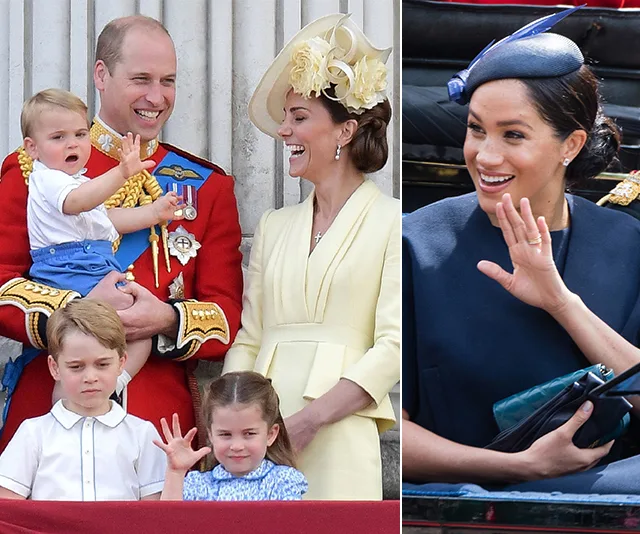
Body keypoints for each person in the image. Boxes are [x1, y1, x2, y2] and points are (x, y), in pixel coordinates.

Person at [402, 9, 640, 494]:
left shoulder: (626, 244)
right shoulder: (414, 243)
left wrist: (560, 301)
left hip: (607, 503)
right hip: (455, 508)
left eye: (513, 135)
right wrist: (518, 469)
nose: (485, 156)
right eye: (475, 129)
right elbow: (381, 428)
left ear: (570, 144)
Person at [0, 15, 243, 452]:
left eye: (167, 81)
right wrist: (79, 308)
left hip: (158, 430)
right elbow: (2, 283)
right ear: (101, 75)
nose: (157, 97)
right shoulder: (32, 170)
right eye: (141, 79)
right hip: (50, 414)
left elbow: (226, 315)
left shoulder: (206, 186)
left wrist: (167, 319)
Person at [222, 14, 400, 500]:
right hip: (261, 438)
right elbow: (250, 337)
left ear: (344, 132)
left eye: (299, 117)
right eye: (285, 118)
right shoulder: (275, 226)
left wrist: (311, 419)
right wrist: (233, 422)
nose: (283, 131)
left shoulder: (394, 223)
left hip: (341, 431)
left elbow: (394, 345)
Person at [22, 88, 185, 402]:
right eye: (58, 137)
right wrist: (122, 172)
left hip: (95, 265)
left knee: (141, 330)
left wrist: (153, 212)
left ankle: (116, 383)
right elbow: (79, 203)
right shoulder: (47, 179)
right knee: (78, 347)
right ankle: (64, 409)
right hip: (68, 269)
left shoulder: (80, 181)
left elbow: (107, 219)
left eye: (81, 134)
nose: (73, 144)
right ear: (33, 148)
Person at [0, 299, 166, 500]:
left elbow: (155, 511)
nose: (90, 377)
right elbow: (8, 506)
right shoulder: (33, 433)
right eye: (76, 367)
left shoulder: (142, 434)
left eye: (102, 364)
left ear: (121, 362)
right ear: (55, 367)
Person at [155, 371, 307, 501]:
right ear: (211, 435)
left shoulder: (283, 481)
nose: (236, 446)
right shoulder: (198, 485)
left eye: (249, 434)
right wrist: (175, 473)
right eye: (225, 434)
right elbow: (168, 524)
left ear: (270, 434)